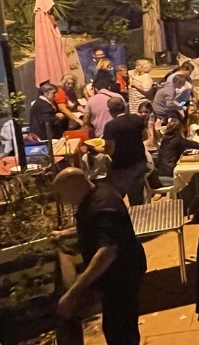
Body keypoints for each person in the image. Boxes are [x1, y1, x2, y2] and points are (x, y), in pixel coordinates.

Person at [51, 169, 147, 345]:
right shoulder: (98, 193)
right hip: (119, 273)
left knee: (120, 331)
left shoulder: (102, 206)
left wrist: (73, 292)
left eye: (61, 194)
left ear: (74, 186)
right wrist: (65, 233)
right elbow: (94, 227)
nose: (62, 200)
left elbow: (106, 253)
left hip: (122, 275)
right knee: (117, 325)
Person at [102, 97, 149, 205]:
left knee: (115, 195)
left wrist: (96, 149)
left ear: (110, 111)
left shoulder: (110, 126)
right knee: (137, 197)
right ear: (124, 107)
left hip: (121, 166)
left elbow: (109, 150)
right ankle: (139, 219)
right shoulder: (137, 119)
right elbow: (144, 137)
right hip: (139, 162)